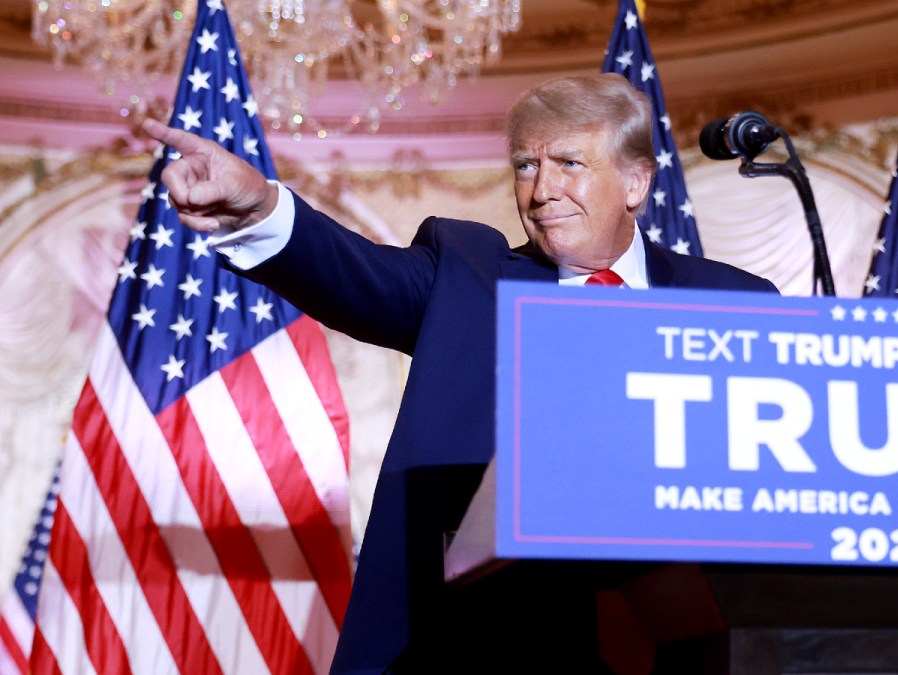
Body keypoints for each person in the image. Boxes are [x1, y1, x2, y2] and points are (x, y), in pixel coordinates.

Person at [144, 72, 777, 673]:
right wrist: (261, 208)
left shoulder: (736, 302)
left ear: (636, 182)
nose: (542, 188)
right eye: (526, 165)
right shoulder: (467, 277)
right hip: (492, 640)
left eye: (569, 164)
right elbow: (357, 275)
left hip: (702, 636)